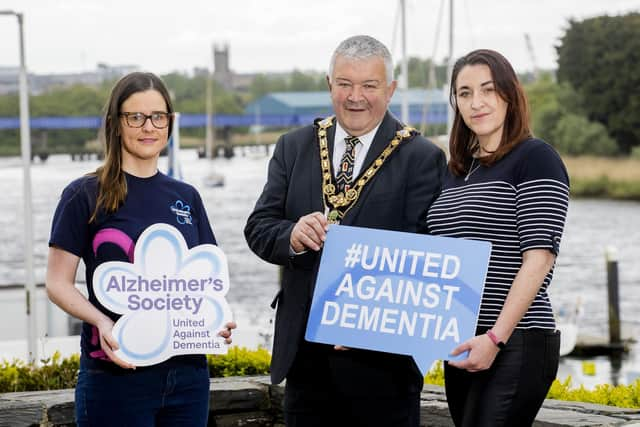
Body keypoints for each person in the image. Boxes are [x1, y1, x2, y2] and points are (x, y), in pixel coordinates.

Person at [244, 35, 446, 427]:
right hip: (304, 361)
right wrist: (292, 237)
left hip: (384, 368)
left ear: (390, 90)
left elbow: (426, 259)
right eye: (344, 84)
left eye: (369, 85)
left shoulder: (421, 157)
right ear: (329, 84)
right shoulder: (294, 146)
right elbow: (259, 227)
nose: (356, 96)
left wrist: (367, 322)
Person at [46, 71, 235, 427]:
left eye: (158, 117)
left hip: (188, 376)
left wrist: (218, 320)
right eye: (136, 117)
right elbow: (57, 283)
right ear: (116, 124)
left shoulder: (187, 197)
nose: (148, 127)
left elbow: (206, 280)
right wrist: (101, 321)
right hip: (115, 374)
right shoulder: (84, 194)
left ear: (170, 123)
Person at [426, 49, 570, 426]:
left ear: (510, 93)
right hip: (461, 342)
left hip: (516, 339)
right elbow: (431, 260)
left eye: (488, 90)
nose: (477, 103)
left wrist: (494, 338)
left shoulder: (536, 157)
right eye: (465, 92)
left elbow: (539, 258)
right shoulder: (456, 171)